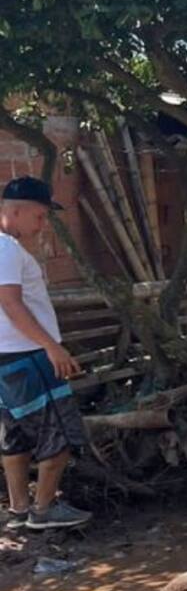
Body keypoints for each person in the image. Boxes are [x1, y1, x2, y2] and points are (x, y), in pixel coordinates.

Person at [0, 176, 91, 531]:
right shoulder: (7, 249)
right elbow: (11, 303)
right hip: (29, 355)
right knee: (60, 433)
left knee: (16, 436)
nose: (42, 225)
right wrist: (52, 346)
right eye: (39, 216)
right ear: (15, 211)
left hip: (6, 359)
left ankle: (19, 509)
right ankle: (44, 508)